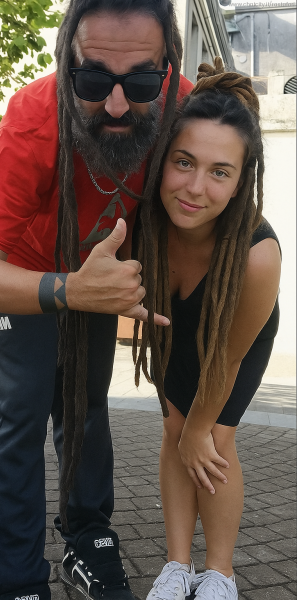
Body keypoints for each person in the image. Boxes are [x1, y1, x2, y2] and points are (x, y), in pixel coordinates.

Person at [0, 1, 194, 599]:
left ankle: (87, 536)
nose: (117, 104)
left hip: (96, 274)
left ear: (167, 67)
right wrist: (70, 289)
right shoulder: (32, 120)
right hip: (22, 271)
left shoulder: (183, 106)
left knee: (85, 405)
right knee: (22, 410)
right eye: (92, 79)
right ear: (66, 64)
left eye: (142, 81)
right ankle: (15, 576)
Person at [132, 58, 281, 600]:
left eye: (220, 172)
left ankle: (220, 574)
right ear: (163, 160)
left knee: (211, 437)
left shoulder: (257, 256)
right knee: (174, 430)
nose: (195, 188)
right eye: (184, 162)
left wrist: (199, 428)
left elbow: (226, 359)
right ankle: (177, 567)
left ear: (241, 183)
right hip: (176, 322)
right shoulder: (144, 219)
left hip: (235, 337)